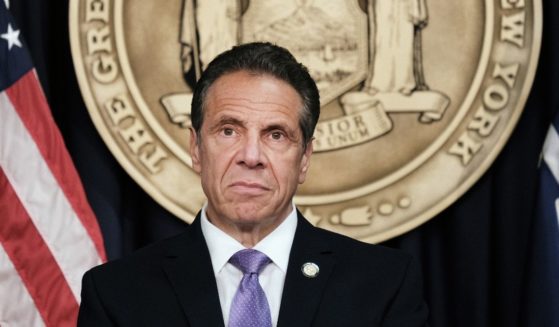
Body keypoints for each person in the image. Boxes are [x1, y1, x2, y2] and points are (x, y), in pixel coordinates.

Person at [77, 42, 429, 326]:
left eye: (276, 135)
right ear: (196, 148)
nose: (251, 155)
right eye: (228, 130)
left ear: (304, 157)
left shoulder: (384, 285)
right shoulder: (117, 293)